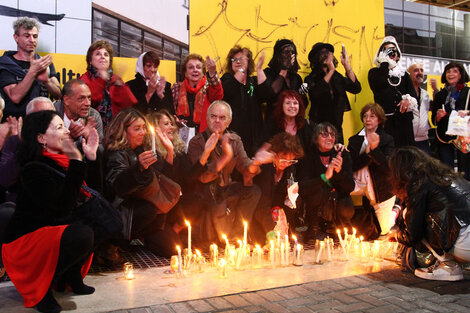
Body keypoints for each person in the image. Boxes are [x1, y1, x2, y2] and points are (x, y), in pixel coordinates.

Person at [2, 110, 98, 312]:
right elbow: (62, 206)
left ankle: (70, 276)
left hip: (51, 230)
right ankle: (42, 288)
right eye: (59, 127)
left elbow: (83, 196)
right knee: (81, 234)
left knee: (94, 220)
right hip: (26, 242)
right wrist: (76, 161)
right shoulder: (33, 169)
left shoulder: (61, 161)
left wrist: (88, 157)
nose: (66, 132)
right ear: (41, 138)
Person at [187, 100, 273, 242]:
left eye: (222, 118)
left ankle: (237, 236)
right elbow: (203, 177)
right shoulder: (197, 141)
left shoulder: (234, 139)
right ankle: (222, 238)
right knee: (217, 204)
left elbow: (245, 167)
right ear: (207, 118)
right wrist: (226, 157)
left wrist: (256, 162)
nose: (217, 121)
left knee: (253, 191)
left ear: (229, 121)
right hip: (207, 192)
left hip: (227, 189)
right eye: (213, 117)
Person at [103, 108, 181, 257]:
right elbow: (116, 187)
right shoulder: (116, 153)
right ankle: (116, 242)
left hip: (147, 208)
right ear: (124, 131)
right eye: (137, 129)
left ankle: (142, 235)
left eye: (144, 128)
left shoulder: (141, 149)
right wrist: (138, 169)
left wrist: (169, 151)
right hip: (124, 210)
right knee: (151, 209)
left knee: (172, 249)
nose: (142, 132)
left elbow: (161, 180)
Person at [390, 146, 470, 281]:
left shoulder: (419, 185)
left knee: (411, 217)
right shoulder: (445, 175)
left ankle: (448, 266)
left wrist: (397, 235)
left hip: (466, 244)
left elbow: (414, 233)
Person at [298, 122, 355, 240]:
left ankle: (341, 227)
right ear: (315, 138)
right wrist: (325, 177)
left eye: (332, 135)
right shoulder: (308, 156)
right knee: (317, 193)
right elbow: (303, 187)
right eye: (324, 135)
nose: (329, 138)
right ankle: (313, 228)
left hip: (337, 199)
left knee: (346, 205)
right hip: (316, 198)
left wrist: (339, 173)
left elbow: (350, 187)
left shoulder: (342, 154)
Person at [348, 103, 396, 235]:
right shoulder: (354, 140)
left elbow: (388, 168)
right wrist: (368, 153)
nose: (368, 119)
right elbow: (351, 166)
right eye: (365, 116)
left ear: (379, 119)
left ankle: (396, 209)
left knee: (383, 231)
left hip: (381, 187)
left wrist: (374, 150)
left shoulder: (387, 139)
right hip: (357, 182)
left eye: (372, 116)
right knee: (334, 189)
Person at [0, 17, 61, 121]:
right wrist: (32, 72)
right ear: (16, 38)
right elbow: (15, 97)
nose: (32, 40)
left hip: (43, 122)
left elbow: (59, 95)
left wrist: (47, 81)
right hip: (16, 123)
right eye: (27, 36)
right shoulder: (6, 64)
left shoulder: (44, 63)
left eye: (35, 36)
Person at [304, 42, 361, 143]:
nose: (326, 55)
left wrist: (346, 65)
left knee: (338, 156)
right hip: (318, 128)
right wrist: (331, 71)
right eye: (322, 53)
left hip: (336, 129)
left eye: (328, 52)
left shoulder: (337, 76)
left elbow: (356, 88)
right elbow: (315, 93)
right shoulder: (311, 78)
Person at [0, 97, 54, 203]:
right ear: (29, 119)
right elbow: (4, 179)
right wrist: (23, 146)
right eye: (42, 116)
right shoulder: (15, 142)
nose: (47, 121)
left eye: (51, 115)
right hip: (23, 202)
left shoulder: (62, 140)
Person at [252, 132, 304, 243]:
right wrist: (272, 230)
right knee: (263, 243)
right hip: (259, 210)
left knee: (297, 200)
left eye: (291, 161)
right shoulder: (265, 169)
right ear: (274, 154)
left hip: (275, 207)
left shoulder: (289, 168)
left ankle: (283, 231)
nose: (286, 164)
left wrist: (291, 193)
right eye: (283, 159)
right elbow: (261, 206)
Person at [368, 36, 416, 147]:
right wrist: (385, 63)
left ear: (398, 55)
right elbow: (378, 85)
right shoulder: (375, 72)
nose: (390, 53)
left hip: (404, 123)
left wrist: (408, 100)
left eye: (393, 51)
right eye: (386, 50)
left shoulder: (404, 75)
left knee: (405, 155)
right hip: (386, 123)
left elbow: (414, 95)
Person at [221, 46, 269, 157]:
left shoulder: (253, 82)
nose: (238, 62)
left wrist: (259, 69)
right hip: (234, 138)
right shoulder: (227, 78)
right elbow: (228, 92)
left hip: (254, 139)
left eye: (241, 59)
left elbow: (266, 95)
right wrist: (242, 69)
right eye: (235, 59)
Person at [79, 40, 136, 127]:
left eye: (106, 54)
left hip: (114, 131)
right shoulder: (83, 80)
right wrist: (102, 80)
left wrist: (121, 87)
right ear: (90, 60)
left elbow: (130, 104)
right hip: (91, 128)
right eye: (98, 54)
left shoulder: (115, 79)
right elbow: (90, 101)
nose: (102, 57)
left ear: (109, 61)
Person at [431, 62, 470, 179]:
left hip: (464, 137)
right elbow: (434, 121)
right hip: (444, 137)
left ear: (461, 74)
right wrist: (437, 116)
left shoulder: (468, 92)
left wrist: (468, 112)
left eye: (454, 71)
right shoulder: (440, 95)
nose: (450, 74)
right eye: (448, 71)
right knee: (446, 171)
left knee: (466, 172)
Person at [172, 53, 223, 134]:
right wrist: (176, 121)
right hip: (181, 136)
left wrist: (212, 73)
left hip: (204, 137)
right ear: (185, 72)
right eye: (191, 67)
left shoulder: (209, 88)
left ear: (203, 72)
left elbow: (218, 95)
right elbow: (171, 113)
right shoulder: (176, 88)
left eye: (198, 67)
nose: (195, 70)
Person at [263, 39, 305, 118]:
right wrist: (284, 69)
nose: (290, 55)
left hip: (293, 122)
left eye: (292, 52)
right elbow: (270, 94)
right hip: (274, 121)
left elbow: (303, 102)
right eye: (286, 52)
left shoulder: (296, 78)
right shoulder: (268, 73)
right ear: (278, 56)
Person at [408, 63, 432, 153]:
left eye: (421, 70)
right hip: (407, 140)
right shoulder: (402, 93)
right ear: (408, 74)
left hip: (423, 140)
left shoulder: (425, 94)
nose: (420, 73)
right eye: (416, 70)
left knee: (425, 166)